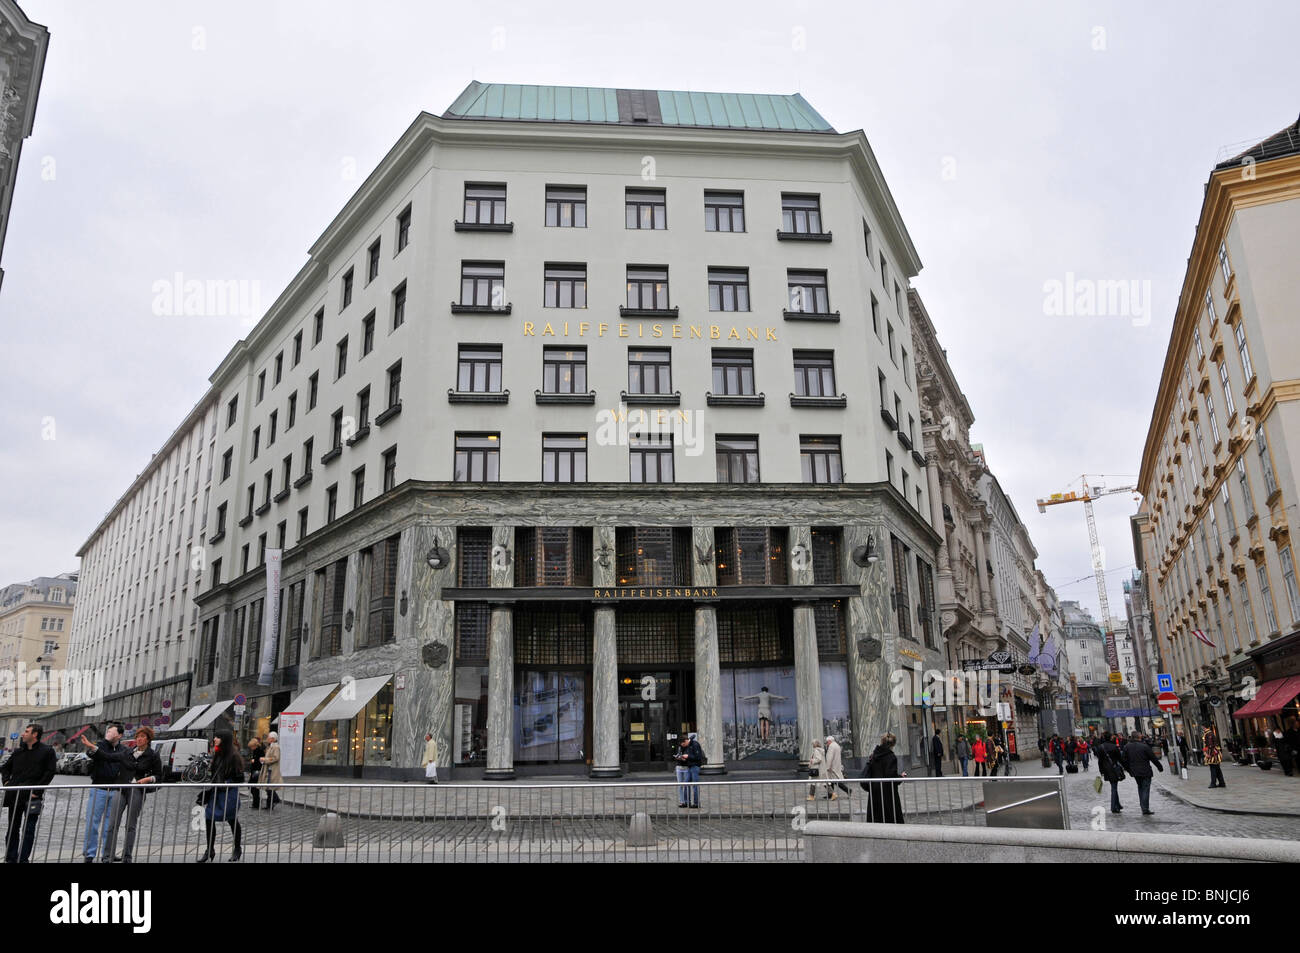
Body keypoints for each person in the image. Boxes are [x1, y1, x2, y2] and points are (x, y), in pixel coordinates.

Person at [104, 726, 162, 863]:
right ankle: (107, 856)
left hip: (137, 790)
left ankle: (127, 857)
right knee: (112, 824)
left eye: (142, 737)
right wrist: (92, 749)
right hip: (122, 788)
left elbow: (159, 776)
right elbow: (108, 757)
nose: (139, 739)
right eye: (137, 737)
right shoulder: (127, 752)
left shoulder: (153, 755)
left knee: (131, 825)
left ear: (148, 739)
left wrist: (148, 779)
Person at [2, 723, 58, 864]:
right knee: (12, 829)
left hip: (32, 797)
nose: (23, 734)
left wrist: (37, 791)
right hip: (15, 796)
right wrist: (7, 783)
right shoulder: (18, 752)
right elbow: (5, 769)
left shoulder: (47, 751)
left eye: (26, 731)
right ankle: (10, 858)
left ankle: (23, 859)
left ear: (35, 734)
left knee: (28, 830)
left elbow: (50, 772)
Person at [198, 729, 245, 862]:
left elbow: (240, 778)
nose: (215, 739)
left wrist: (227, 782)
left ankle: (237, 849)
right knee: (208, 818)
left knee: (232, 820)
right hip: (216, 792)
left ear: (224, 739)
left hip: (228, 793)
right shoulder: (217, 754)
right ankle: (210, 849)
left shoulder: (234, 757)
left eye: (217, 737)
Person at [80, 723, 124, 862]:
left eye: (112, 731)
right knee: (92, 823)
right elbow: (90, 752)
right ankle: (89, 854)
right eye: (108, 731)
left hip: (116, 790)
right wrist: (95, 746)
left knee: (110, 825)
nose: (108, 733)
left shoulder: (123, 749)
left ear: (119, 735)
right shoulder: (100, 745)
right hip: (98, 789)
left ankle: (108, 853)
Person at [859, 732, 905, 823]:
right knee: (890, 817)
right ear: (893, 744)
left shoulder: (874, 755)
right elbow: (891, 776)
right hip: (887, 792)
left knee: (876, 817)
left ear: (882, 741)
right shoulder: (891, 757)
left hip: (875, 790)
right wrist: (901, 777)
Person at [1120, 730, 1164, 815]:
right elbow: (1153, 758)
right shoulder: (1144, 746)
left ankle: (1143, 806)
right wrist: (1160, 767)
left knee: (1140, 788)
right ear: (1138, 737)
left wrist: (1129, 769)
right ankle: (1145, 808)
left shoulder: (1127, 747)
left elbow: (1123, 760)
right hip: (1145, 771)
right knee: (1145, 789)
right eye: (1140, 736)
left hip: (1135, 772)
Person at [1095, 731, 1126, 814]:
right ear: (1110, 738)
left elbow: (1100, 761)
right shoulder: (1114, 747)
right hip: (1114, 768)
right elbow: (1120, 759)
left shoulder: (1100, 747)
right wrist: (1127, 768)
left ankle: (1118, 804)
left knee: (1114, 786)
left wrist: (1101, 771)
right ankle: (1113, 807)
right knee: (1114, 787)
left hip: (1106, 769)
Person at [673, 733, 704, 808]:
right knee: (686, 784)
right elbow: (691, 757)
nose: (683, 746)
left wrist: (688, 756)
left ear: (686, 741)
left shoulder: (695, 744)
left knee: (695, 785)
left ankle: (696, 803)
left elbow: (698, 757)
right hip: (690, 766)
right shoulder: (688, 745)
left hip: (695, 767)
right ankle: (687, 802)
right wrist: (684, 758)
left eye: (683, 744)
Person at [260, 732, 282, 808]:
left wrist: (264, 759)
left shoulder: (275, 747)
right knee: (268, 787)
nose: (267, 739)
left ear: (273, 739)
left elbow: (276, 758)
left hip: (271, 770)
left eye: (268, 738)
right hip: (268, 769)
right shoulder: (271, 746)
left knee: (269, 787)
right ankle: (270, 804)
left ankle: (274, 801)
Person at [246, 736, 264, 810]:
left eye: (251, 747)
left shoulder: (259, 751)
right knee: (252, 787)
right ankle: (256, 802)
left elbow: (261, 761)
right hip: (254, 771)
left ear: (254, 745)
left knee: (254, 787)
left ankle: (256, 803)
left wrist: (254, 761)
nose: (251, 748)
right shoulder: (255, 751)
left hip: (257, 771)